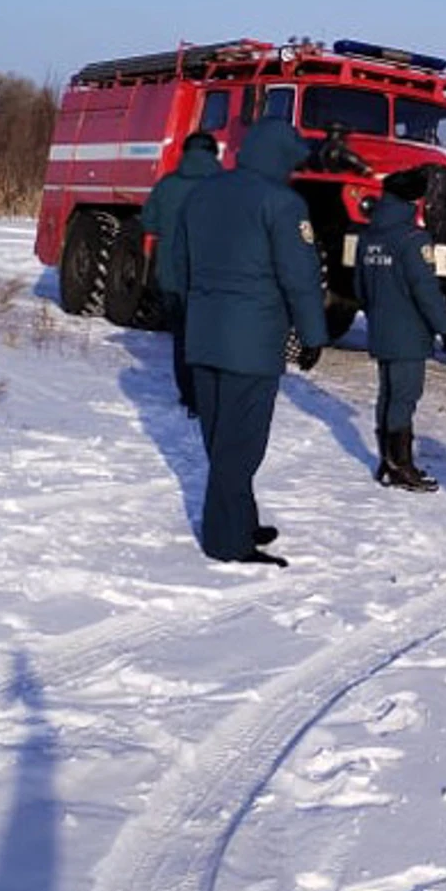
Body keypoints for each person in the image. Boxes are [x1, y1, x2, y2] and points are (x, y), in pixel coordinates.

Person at [162, 119, 329, 567]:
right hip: (252, 344)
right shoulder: (283, 203)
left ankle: (240, 521)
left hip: (203, 335)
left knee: (221, 440)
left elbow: (178, 266)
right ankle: (226, 542)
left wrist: (201, 307)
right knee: (241, 446)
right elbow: (300, 278)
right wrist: (312, 334)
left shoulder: (204, 193)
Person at [356, 166, 446, 492]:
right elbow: (425, 289)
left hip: (382, 328)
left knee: (388, 395)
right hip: (409, 332)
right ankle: (401, 466)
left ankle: (388, 461)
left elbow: (360, 287)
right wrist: (445, 327)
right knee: (404, 398)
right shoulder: (413, 240)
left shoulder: (369, 236)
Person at [139, 131, 221, 416]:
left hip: (172, 278)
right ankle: (207, 398)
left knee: (182, 340)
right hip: (213, 281)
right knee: (210, 340)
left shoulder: (167, 185)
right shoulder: (225, 187)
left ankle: (188, 396)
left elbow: (148, 222)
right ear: (215, 154)